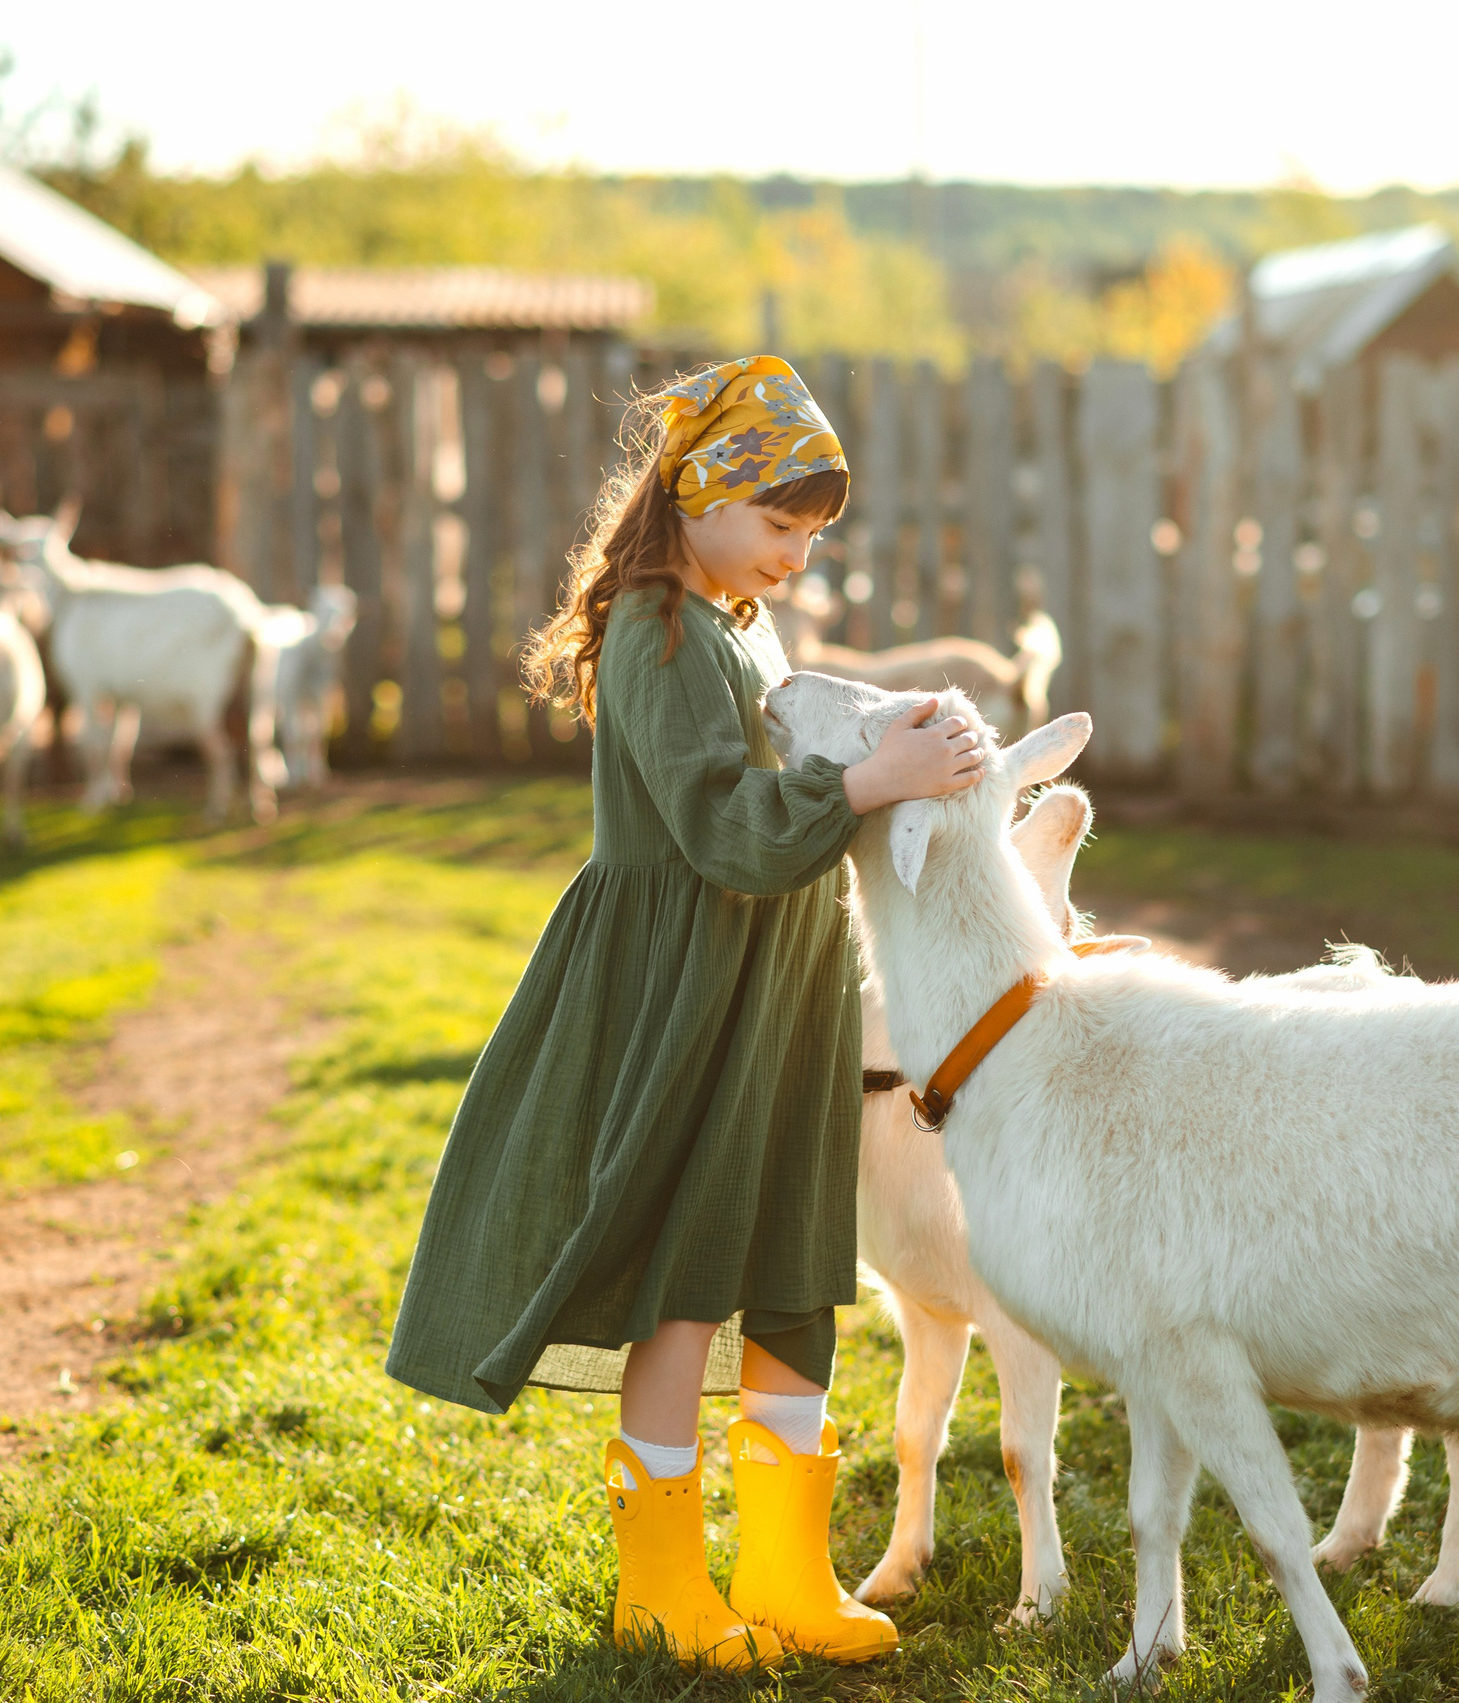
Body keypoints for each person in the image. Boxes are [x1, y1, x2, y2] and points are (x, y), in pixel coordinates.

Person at [385, 356, 982, 1669]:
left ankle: (784, 1572)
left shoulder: (730, 622)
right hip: (690, 997)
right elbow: (723, 828)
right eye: (781, 527)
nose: (798, 560)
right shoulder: (659, 631)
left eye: (814, 538)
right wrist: (874, 779)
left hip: (777, 995)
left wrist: (891, 743)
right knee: (688, 1277)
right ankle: (660, 1588)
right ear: (703, 496)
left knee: (791, 1267)